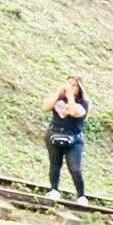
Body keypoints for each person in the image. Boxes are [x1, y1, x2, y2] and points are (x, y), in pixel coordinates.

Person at [43, 75, 90, 204]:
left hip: (74, 140)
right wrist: (58, 93)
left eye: (73, 85)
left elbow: (74, 112)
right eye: (68, 84)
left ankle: (81, 195)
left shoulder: (83, 103)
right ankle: (54, 190)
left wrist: (70, 96)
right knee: (55, 165)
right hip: (54, 134)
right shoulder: (59, 99)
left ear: (79, 88)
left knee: (75, 168)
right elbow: (46, 107)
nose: (70, 87)